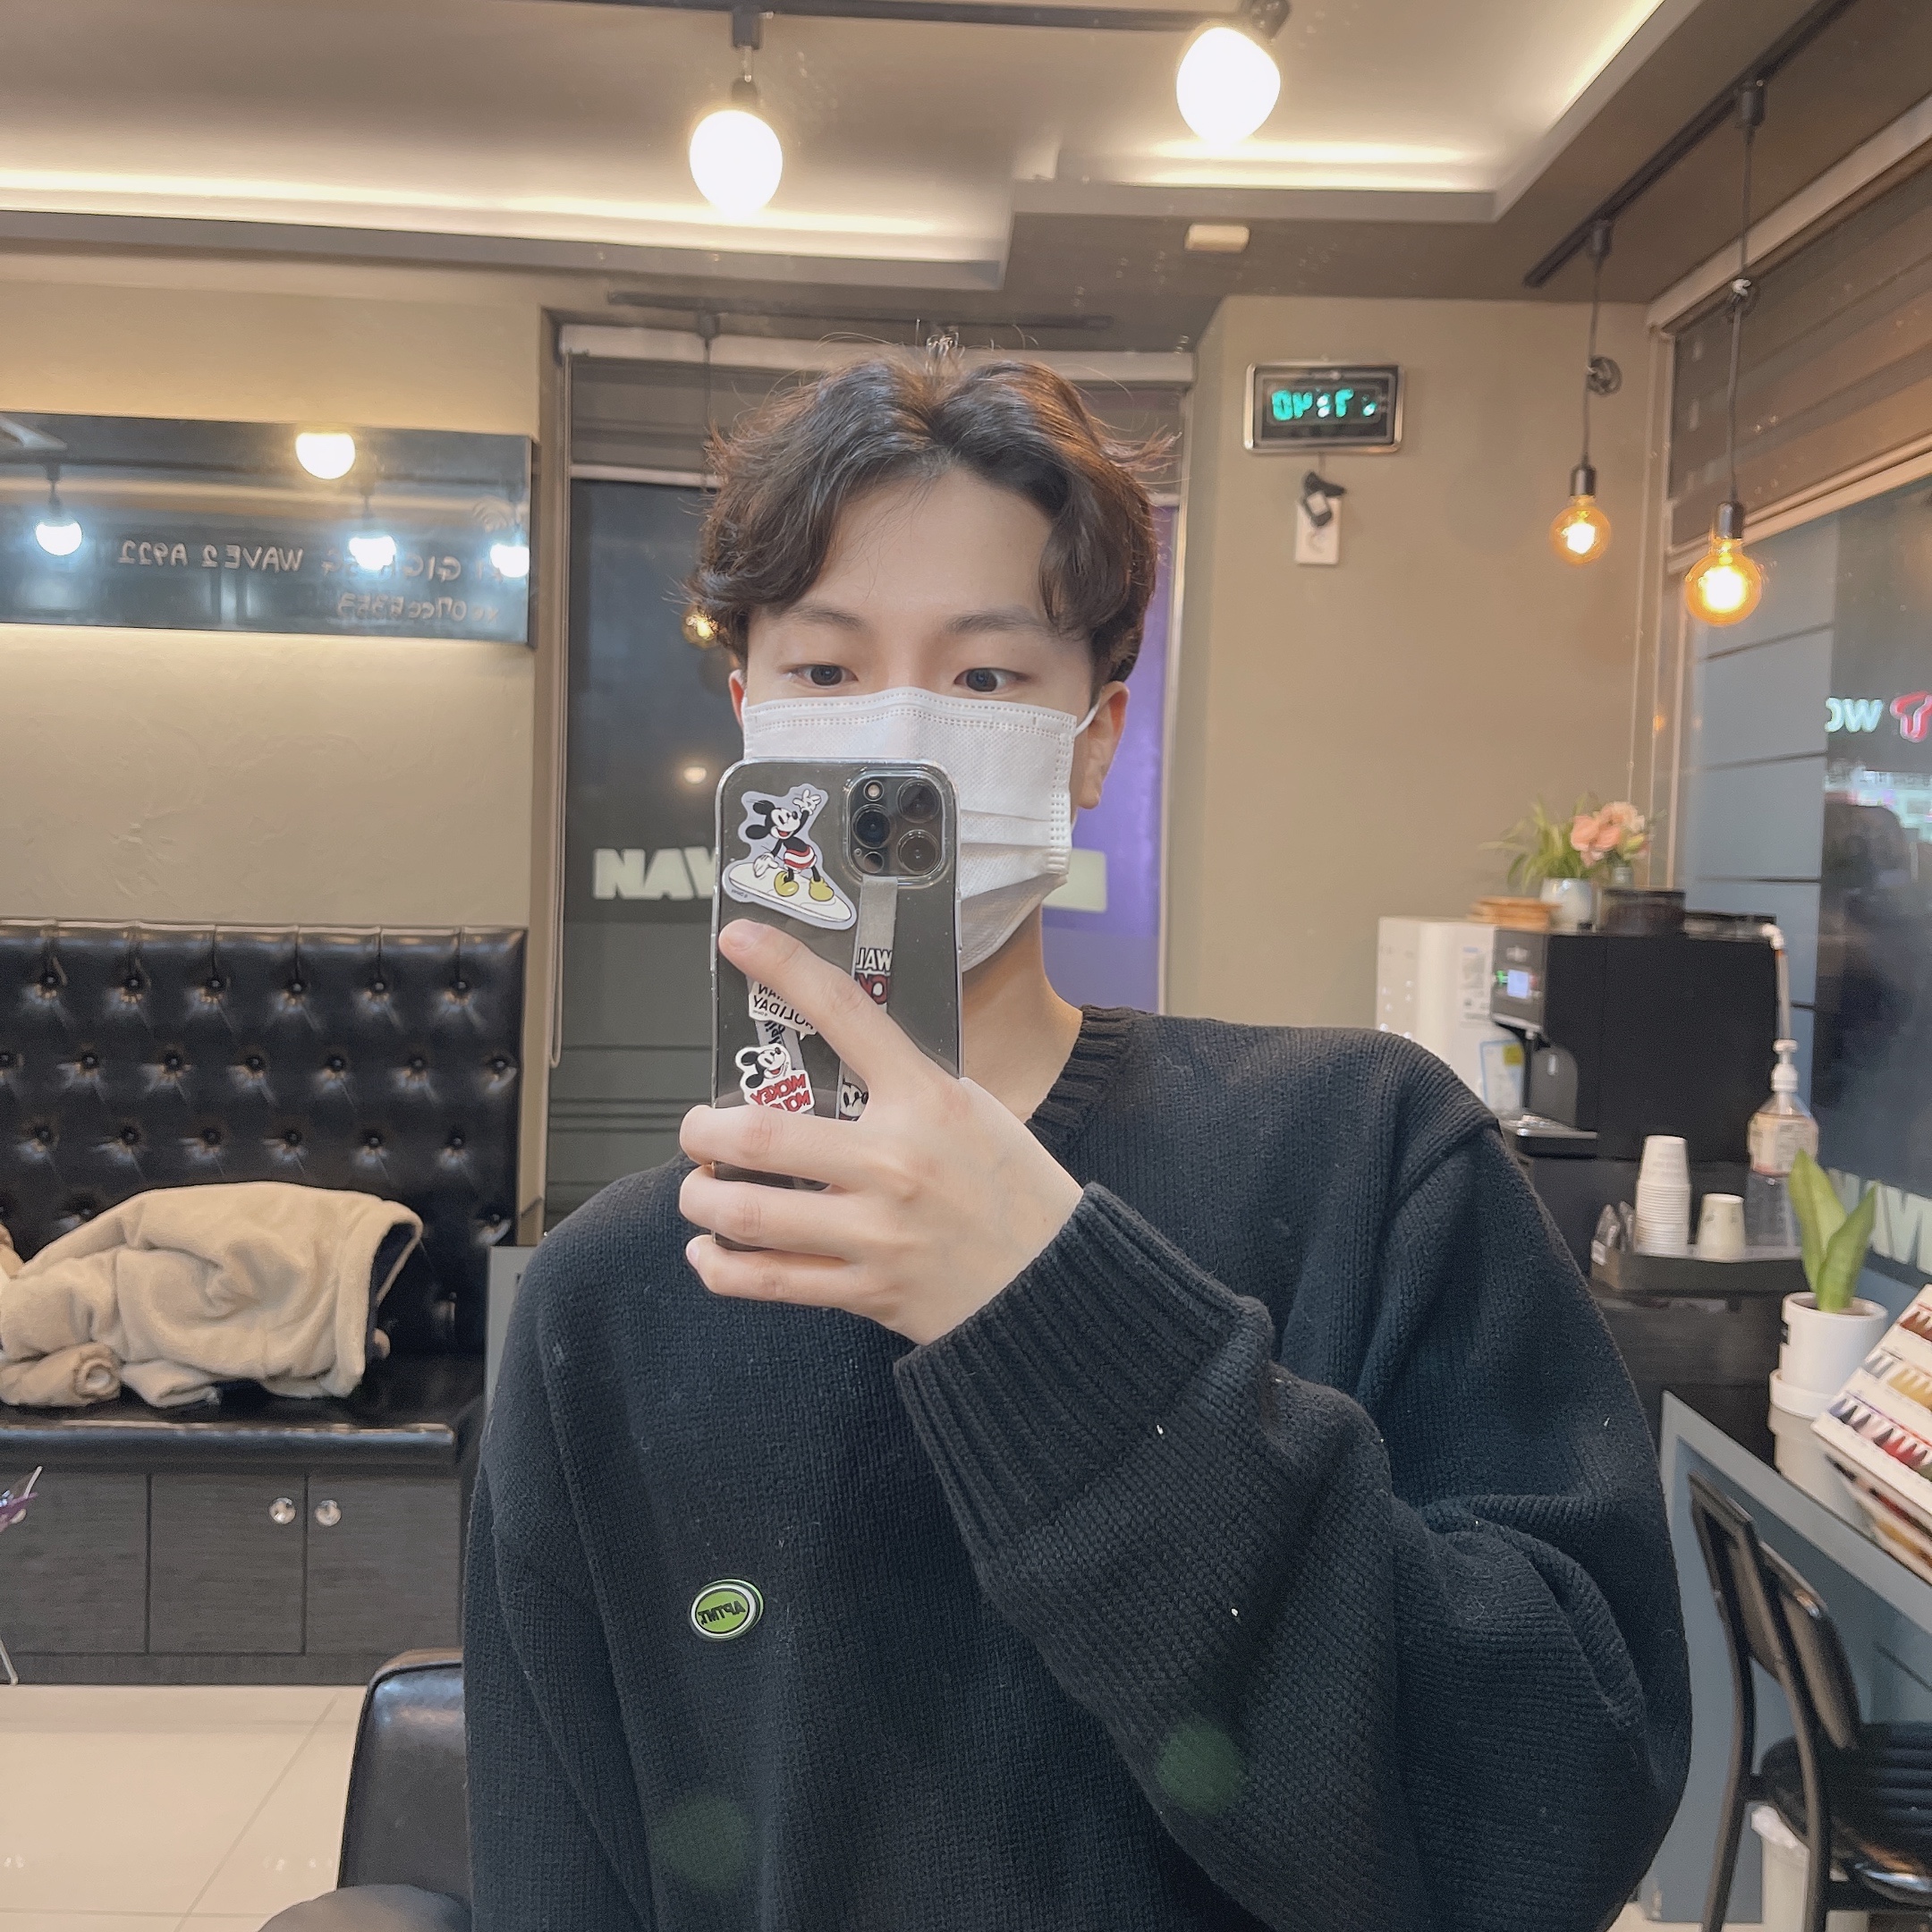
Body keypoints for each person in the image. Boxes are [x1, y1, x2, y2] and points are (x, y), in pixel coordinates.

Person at [466, 356, 1690, 1932]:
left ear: (1094, 742)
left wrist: (1049, 1309)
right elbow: (557, 1875)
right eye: (827, 670)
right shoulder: (605, 1303)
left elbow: (1555, 1814)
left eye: (986, 678)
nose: (899, 733)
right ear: (751, 721)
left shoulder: (1369, 1158)